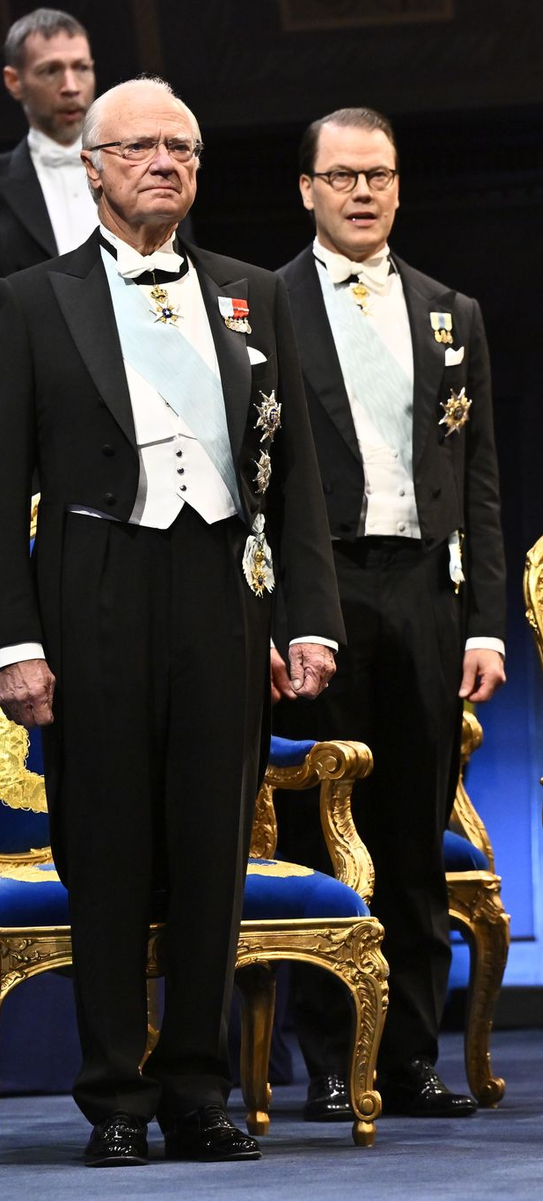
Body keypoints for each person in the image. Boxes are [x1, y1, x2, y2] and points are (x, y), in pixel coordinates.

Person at [0, 77, 344, 1166]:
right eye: (139, 147)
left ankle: (198, 1087)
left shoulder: (252, 294)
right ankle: (113, 1094)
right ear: (92, 167)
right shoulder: (29, 300)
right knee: (104, 846)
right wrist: (15, 640)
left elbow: (294, 482)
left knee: (211, 845)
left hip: (223, 585)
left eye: (183, 149)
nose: (164, 164)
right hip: (94, 578)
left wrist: (310, 617)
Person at [272, 107, 505, 1121]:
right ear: (308, 189)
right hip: (317, 591)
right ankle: (330, 1057)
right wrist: (282, 614)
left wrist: (488, 622)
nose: (362, 191)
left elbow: (484, 478)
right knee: (321, 828)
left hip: (424, 591)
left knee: (412, 831)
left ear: (400, 186)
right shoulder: (263, 302)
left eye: (379, 174)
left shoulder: (452, 310)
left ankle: (409, 1056)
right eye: (342, 175)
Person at [0, 8, 96, 274]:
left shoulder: (143, 170)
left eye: (81, 68)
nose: (71, 86)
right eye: (50, 70)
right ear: (14, 81)